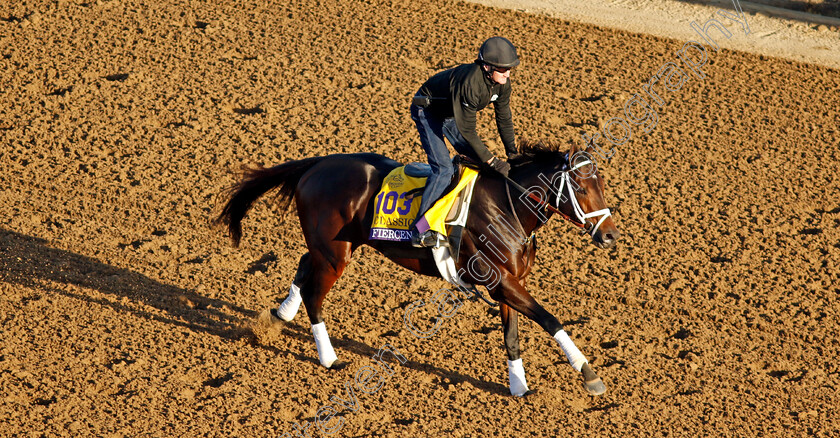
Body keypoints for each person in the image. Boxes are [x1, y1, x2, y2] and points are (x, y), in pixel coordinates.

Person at [409, 36, 520, 248]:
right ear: (487, 67)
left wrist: (512, 153)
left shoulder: (502, 84)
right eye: (503, 68)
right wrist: (492, 161)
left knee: (478, 162)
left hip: (452, 114)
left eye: (509, 69)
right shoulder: (471, 82)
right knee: (442, 168)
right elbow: (467, 130)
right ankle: (420, 230)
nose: (507, 73)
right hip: (428, 110)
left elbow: (504, 117)